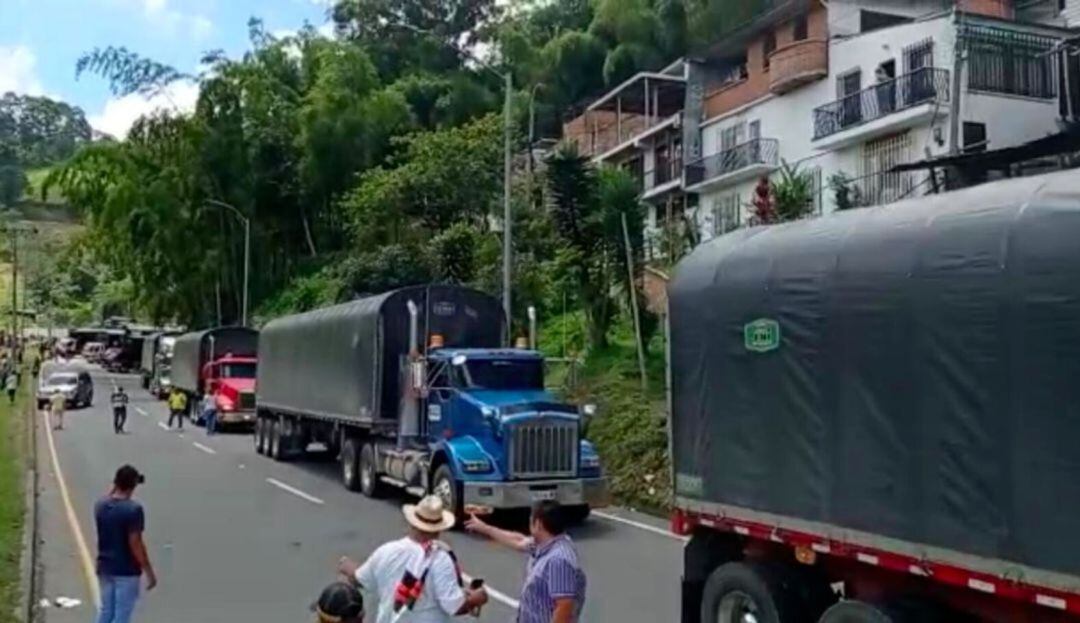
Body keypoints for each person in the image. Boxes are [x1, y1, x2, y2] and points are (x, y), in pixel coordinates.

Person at [337, 495, 488, 623]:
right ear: (439, 529)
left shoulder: (386, 551)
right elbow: (455, 607)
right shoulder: (440, 559)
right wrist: (477, 598)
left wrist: (346, 565)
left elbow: (360, 578)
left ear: (412, 523)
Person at [466, 501, 586, 623]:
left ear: (538, 524)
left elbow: (564, 606)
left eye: (530, 519)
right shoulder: (545, 543)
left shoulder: (559, 560)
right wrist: (485, 528)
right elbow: (519, 541)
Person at [94, 465, 157, 623]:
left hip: (105, 567)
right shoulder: (133, 510)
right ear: (133, 485)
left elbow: (110, 498)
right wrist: (148, 571)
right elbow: (135, 543)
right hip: (126, 571)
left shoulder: (100, 506)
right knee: (122, 615)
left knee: (106, 611)